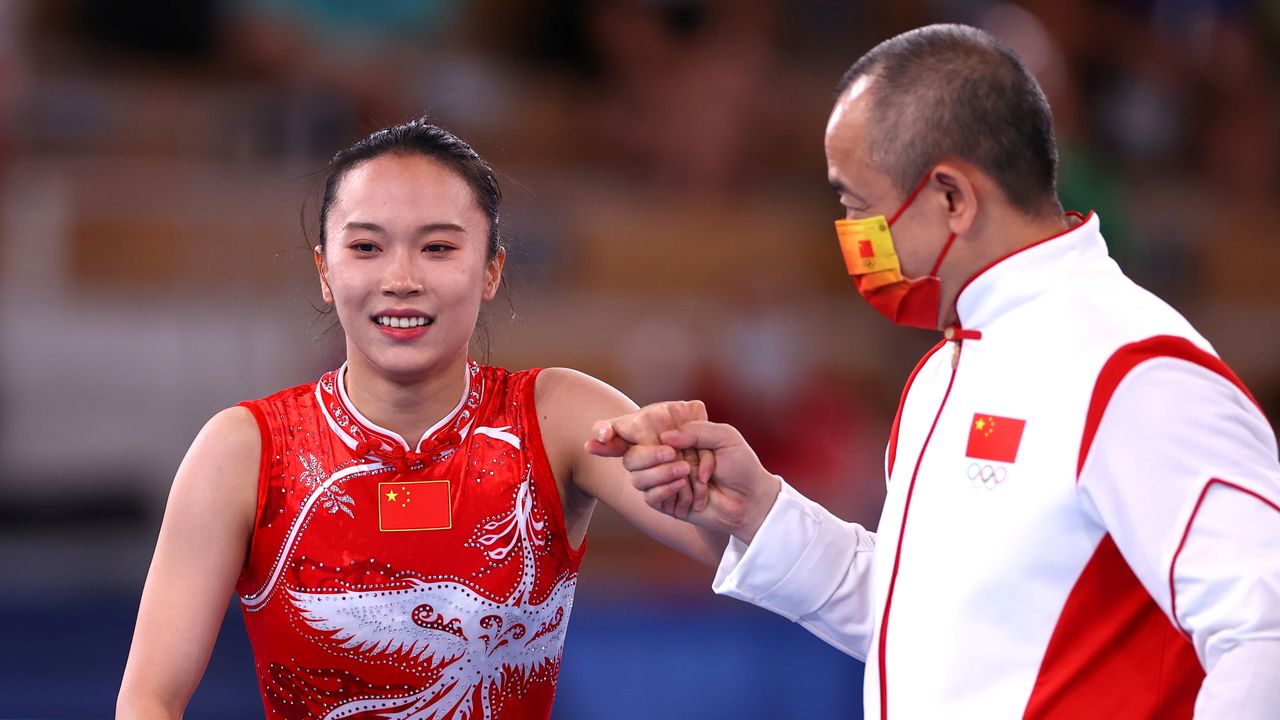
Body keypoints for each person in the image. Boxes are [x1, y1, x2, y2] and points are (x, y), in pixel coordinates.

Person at [589, 24, 1280, 719]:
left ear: (952, 196)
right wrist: (760, 507)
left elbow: (1265, 634)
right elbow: (918, 622)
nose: (852, 235)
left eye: (859, 205)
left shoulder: (1135, 371)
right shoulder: (944, 370)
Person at [116, 118, 723, 720]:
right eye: (366, 247)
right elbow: (149, 698)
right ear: (325, 272)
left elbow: (737, 546)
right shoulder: (245, 450)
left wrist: (691, 476)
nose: (401, 280)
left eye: (437, 247)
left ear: (491, 270)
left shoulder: (559, 418)